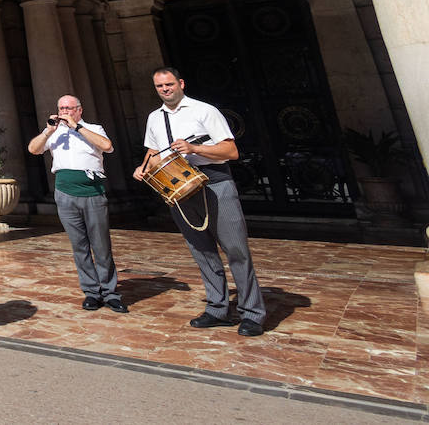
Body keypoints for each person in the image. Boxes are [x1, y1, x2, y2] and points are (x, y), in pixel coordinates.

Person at [134, 67, 266, 337]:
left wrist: (195, 148)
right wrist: (144, 166)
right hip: (178, 188)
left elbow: (231, 150)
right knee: (202, 251)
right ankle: (217, 308)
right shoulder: (154, 118)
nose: (165, 90)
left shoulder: (204, 111)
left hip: (215, 183)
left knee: (236, 250)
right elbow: (152, 150)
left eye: (169, 84)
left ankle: (252, 313)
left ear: (181, 83)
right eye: (160, 86)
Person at [28, 95, 126, 313]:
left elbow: (107, 146)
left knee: (101, 245)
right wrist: (48, 131)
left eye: (69, 108)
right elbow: (33, 149)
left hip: (92, 192)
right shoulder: (55, 133)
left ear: (79, 110)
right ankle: (91, 291)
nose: (65, 112)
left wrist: (78, 127)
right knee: (79, 246)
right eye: (61, 108)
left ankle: (110, 292)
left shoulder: (93, 128)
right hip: (65, 194)